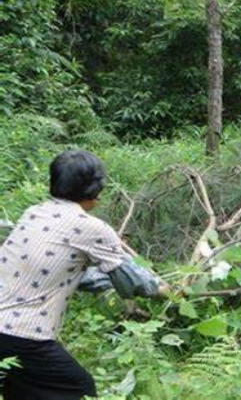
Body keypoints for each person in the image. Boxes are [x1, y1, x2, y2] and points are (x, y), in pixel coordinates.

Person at [0, 150, 170, 399]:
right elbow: (133, 282)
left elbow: (67, 274)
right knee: (78, 388)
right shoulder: (93, 228)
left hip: (5, 330)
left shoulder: (34, 212)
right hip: (23, 333)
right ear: (95, 189)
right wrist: (164, 290)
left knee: (24, 388)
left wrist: (111, 281)